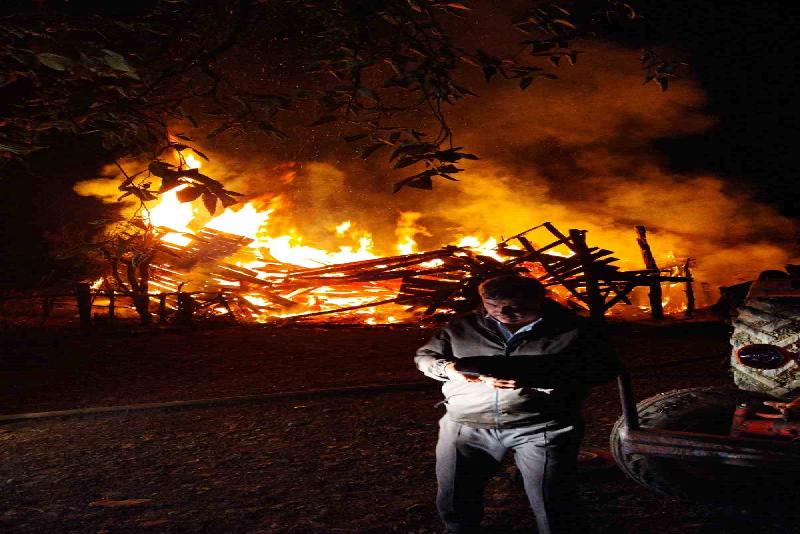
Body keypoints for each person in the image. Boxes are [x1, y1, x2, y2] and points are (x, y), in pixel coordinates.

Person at [414, 274, 619, 534]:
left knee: (553, 500)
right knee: (456, 496)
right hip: (465, 426)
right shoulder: (463, 326)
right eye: (491, 305)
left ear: (538, 300)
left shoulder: (575, 330)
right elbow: (426, 356)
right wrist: (448, 368)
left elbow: (604, 370)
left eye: (513, 306)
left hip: (543, 427)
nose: (501, 313)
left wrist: (534, 377)